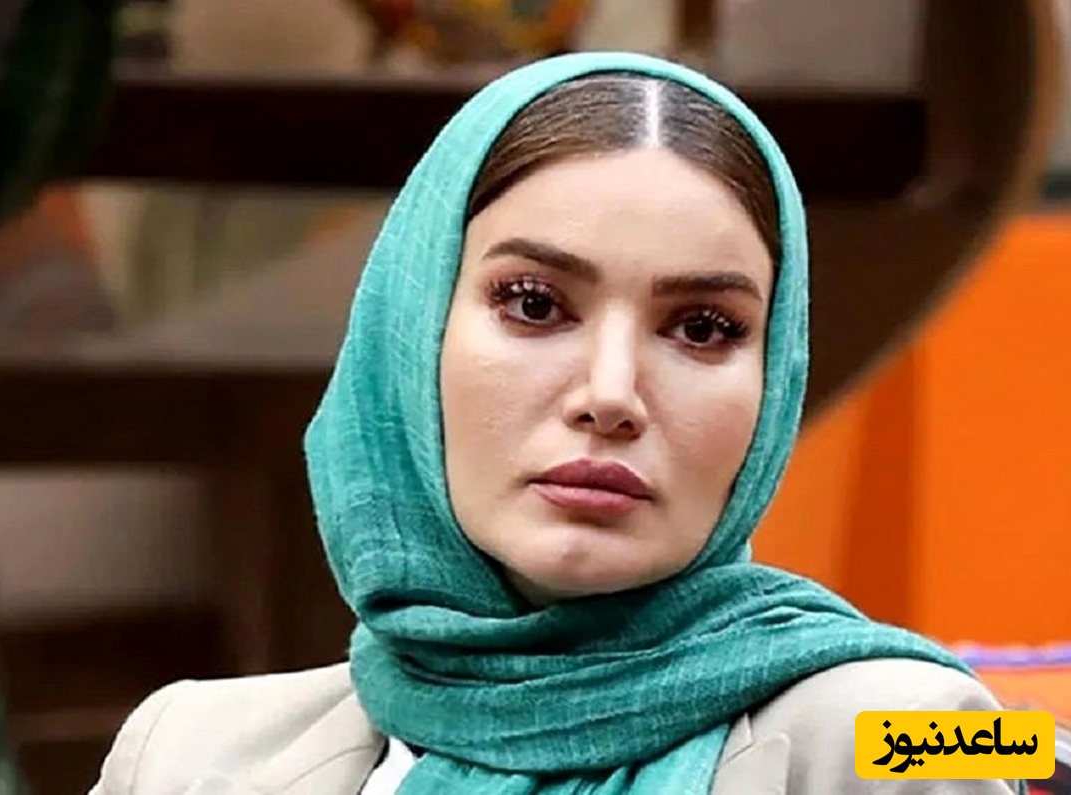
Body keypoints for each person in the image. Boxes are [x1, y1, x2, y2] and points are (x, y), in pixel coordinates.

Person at [88, 51, 1015, 794]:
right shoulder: (187, 749)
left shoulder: (917, 730)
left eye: (702, 327)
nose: (610, 394)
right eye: (534, 304)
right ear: (411, 335)